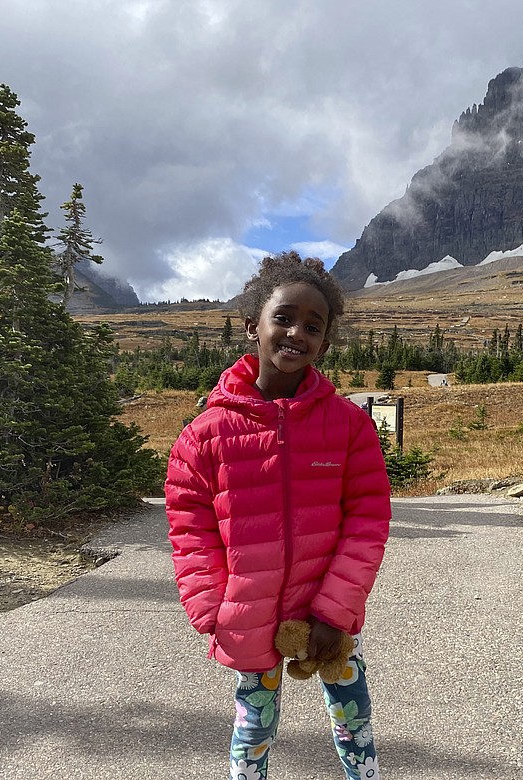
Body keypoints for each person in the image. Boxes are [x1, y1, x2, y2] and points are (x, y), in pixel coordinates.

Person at [165, 251, 391, 780]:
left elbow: (367, 519)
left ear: (325, 343)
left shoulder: (349, 427)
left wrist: (334, 611)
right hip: (248, 612)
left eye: (313, 326)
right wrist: (210, 607)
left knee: (353, 718)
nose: (296, 333)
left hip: (328, 612)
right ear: (252, 326)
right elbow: (189, 526)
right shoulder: (207, 433)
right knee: (253, 728)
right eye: (283, 318)